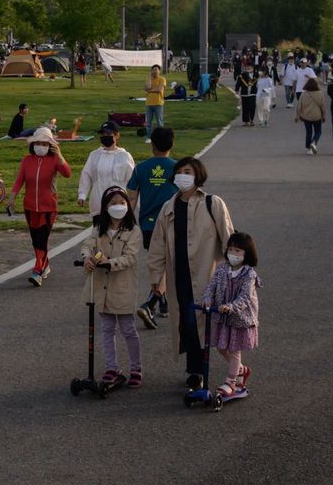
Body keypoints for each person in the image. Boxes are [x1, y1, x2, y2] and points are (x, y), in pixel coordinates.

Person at [146, 156, 235, 393]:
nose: (183, 175)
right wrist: (157, 278)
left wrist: (236, 272)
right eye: (180, 171)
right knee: (188, 324)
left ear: (198, 175)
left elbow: (228, 239)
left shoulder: (212, 203)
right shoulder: (168, 207)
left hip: (208, 274)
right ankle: (195, 371)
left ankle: (227, 370)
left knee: (209, 324)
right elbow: (157, 245)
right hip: (179, 276)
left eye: (189, 171)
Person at [84, 186, 145, 388]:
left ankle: (136, 368)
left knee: (128, 329)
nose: (118, 206)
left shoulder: (133, 231)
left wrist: (109, 263)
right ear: (105, 206)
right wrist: (87, 258)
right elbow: (88, 245)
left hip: (122, 286)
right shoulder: (98, 227)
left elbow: (130, 257)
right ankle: (112, 368)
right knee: (107, 329)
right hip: (101, 287)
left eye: (122, 202)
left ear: (128, 205)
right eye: (113, 203)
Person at [197, 231, 261, 401]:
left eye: (238, 251)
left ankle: (231, 381)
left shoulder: (249, 274)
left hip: (240, 318)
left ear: (247, 253)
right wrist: (206, 299)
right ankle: (241, 370)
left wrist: (231, 307)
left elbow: (245, 297)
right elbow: (211, 286)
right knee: (220, 346)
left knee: (233, 349)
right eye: (230, 250)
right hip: (222, 316)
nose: (233, 254)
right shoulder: (222, 269)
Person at [126, 126, 179, 328]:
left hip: (148, 225)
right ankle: (150, 302)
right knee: (166, 265)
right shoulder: (177, 168)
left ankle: (160, 301)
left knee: (159, 263)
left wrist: (127, 221)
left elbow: (131, 196)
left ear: (152, 144)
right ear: (172, 144)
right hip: (171, 223)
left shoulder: (140, 168)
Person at [13, 128, 72, 286]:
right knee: (36, 239)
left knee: (42, 238)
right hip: (30, 206)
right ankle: (44, 265)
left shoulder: (54, 160)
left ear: (50, 145)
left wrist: (60, 156)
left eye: (44, 143)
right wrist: (12, 198)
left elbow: (67, 173)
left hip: (48, 207)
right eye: (38, 143)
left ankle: (37, 270)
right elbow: (20, 180)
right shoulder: (27, 160)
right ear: (33, 144)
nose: (41, 146)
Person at [77, 121, 135, 214]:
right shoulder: (94, 155)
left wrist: (135, 203)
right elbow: (86, 175)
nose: (105, 136)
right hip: (97, 203)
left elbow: (133, 181)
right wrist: (82, 195)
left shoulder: (124, 156)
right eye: (103, 134)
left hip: (118, 204)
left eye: (108, 134)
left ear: (116, 135)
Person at [294, 76, 327, 154]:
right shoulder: (320, 94)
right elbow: (323, 107)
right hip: (317, 116)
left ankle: (309, 148)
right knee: (318, 131)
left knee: (308, 132)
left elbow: (299, 107)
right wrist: (324, 116)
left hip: (306, 116)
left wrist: (297, 116)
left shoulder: (303, 94)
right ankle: (313, 142)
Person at [144, 66, 167, 133]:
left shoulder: (162, 79)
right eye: (153, 70)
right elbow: (147, 87)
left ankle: (161, 136)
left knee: (159, 122)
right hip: (149, 103)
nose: (155, 71)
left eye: (156, 70)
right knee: (148, 122)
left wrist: (150, 91)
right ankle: (149, 137)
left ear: (159, 71)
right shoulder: (150, 79)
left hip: (158, 103)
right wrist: (149, 78)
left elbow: (159, 90)